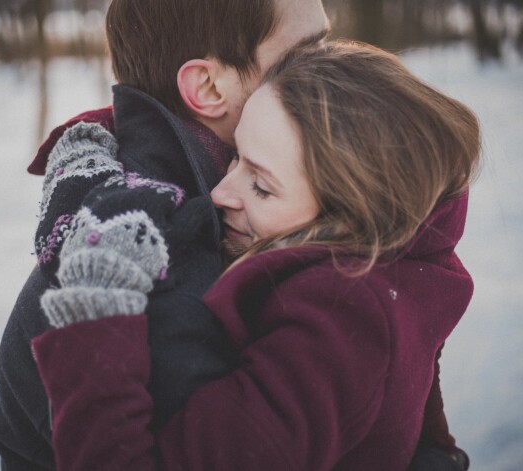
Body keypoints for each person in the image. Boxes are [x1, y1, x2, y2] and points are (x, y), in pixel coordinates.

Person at [31, 41, 480, 470]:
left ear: (351, 217)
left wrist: (96, 306)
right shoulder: (403, 269)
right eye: (235, 156)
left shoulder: (337, 328)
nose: (221, 193)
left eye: (262, 186)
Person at [0, 0, 330, 469]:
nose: (336, 69)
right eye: (306, 54)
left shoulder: (246, 204)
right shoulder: (157, 272)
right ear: (208, 86)